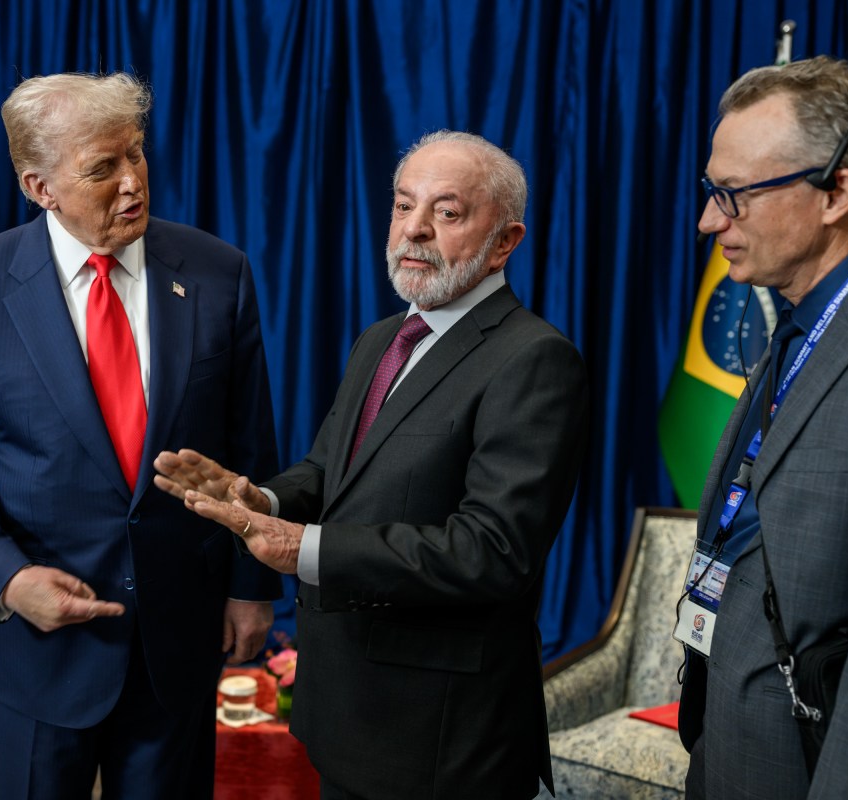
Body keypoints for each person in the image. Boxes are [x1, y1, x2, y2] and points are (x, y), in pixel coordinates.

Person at [155, 130, 588, 799]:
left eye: (446, 213)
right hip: (347, 710)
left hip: (442, 737)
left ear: (505, 241)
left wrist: (304, 548)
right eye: (402, 206)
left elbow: (492, 551)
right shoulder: (383, 339)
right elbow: (330, 472)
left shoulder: (533, 359)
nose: (413, 230)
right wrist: (259, 500)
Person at [0, 72, 280, 799]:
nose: (133, 182)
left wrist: (251, 586)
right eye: (103, 169)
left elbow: (249, 444)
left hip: (177, 638)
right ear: (39, 186)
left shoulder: (218, 272)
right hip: (39, 644)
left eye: (136, 155)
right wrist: (8, 580)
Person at [678, 56, 848, 797]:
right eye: (709, 191)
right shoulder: (798, 325)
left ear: (837, 193)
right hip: (729, 748)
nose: (708, 221)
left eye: (733, 195)